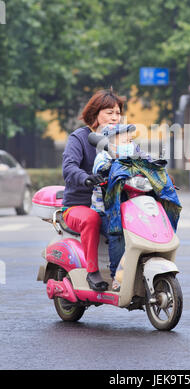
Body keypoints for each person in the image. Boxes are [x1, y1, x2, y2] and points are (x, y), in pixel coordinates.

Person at [62, 89, 126, 292]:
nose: (115, 117)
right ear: (95, 113)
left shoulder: (121, 138)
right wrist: (86, 178)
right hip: (77, 206)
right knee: (91, 218)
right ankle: (92, 271)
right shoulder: (79, 138)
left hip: (110, 204)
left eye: (118, 112)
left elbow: (137, 159)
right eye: (109, 112)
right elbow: (69, 167)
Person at [90, 123, 137, 291]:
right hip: (105, 212)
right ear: (110, 141)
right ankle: (117, 278)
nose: (129, 141)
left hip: (131, 209)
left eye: (130, 139)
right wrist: (107, 169)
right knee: (117, 232)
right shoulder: (103, 157)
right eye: (124, 138)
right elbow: (99, 170)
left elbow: (148, 165)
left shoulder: (134, 156)